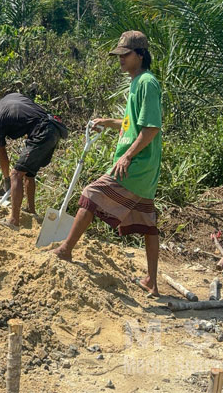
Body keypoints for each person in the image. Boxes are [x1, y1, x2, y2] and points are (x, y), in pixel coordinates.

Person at [52, 31, 163, 296]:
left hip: (137, 165)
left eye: (125, 54)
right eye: (119, 55)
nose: (120, 59)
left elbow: (151, 128)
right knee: (147, 223)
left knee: (91, 194)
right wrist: (109, 122)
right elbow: (132, 124)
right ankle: (151, 281)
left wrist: (127, 156)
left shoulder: (147, 82)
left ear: (140, 55)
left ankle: (65, 250)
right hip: (143, 168)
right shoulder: (136, 82)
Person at [0, 92, 68, 227]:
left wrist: (7, 179)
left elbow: (2, 154)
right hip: (54, 127)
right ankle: (31, 211)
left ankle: (13, 221)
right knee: (28, 172)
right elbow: (30, 112)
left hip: (42, 131)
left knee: (16, 174)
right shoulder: (11, 96)